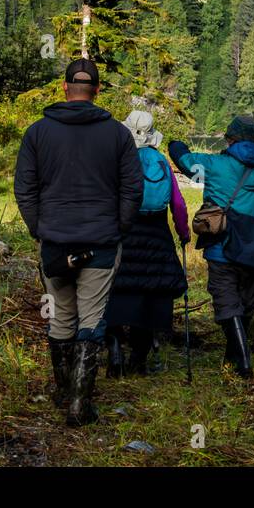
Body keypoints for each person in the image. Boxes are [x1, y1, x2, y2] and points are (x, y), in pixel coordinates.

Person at [13, 58, 143, 426]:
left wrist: (39, 228)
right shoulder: (118, 134)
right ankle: (79, 404)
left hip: (54, 241)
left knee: (60, 317)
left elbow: (24, 189)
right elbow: (133, 189)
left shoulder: (37, 133)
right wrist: (117, 227)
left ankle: (63, 392)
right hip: (101, 242)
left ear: (65, 87)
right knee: (92, 318)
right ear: (97, 90)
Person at [167, 115, 254, 379]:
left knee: (227, 304)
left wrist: (175, 145)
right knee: (245, 305)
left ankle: (243, 365)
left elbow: (187, 163)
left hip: (222, 247)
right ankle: (232, 359)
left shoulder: (216, 164)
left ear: (230, 139)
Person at [105, 110, 191, 378]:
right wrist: (183, 231)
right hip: (156, 234)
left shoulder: (118, 159)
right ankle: (138, 360)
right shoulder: (162, 162)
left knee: (114, 291)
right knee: (150, 295)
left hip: (125, 231)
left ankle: (115, 349)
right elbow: (177, 203)